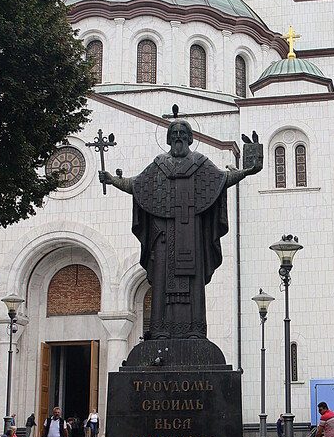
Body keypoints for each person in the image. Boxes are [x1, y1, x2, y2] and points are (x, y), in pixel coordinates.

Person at [99, 116, 262, 340]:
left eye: (182, 134)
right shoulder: (158, 165)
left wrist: (246, 171)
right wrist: (112, 180)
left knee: (193, 282)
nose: (178, 138)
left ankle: (195, 331)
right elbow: (136, 185)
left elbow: (221, 179)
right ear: (168, 139)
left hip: (192, 236)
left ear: (189, 138)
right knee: (161, 280)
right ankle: (159, 331)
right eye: (174, 134)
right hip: (162, 236)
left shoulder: (201, 163)